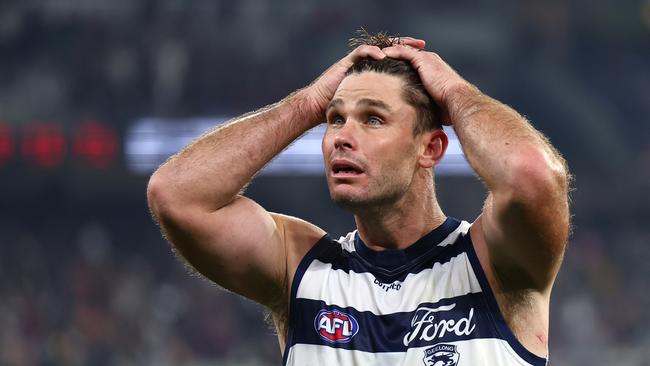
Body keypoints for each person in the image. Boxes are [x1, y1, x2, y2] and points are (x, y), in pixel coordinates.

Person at [147, 31, 570, 366]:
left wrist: (455, 94)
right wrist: (307, 103)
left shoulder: (493, 264)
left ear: (430, 148)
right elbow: (176, 194)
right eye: (335, 119)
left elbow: (531, 174)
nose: (342, 138)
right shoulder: (301, 268)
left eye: (372, 119)